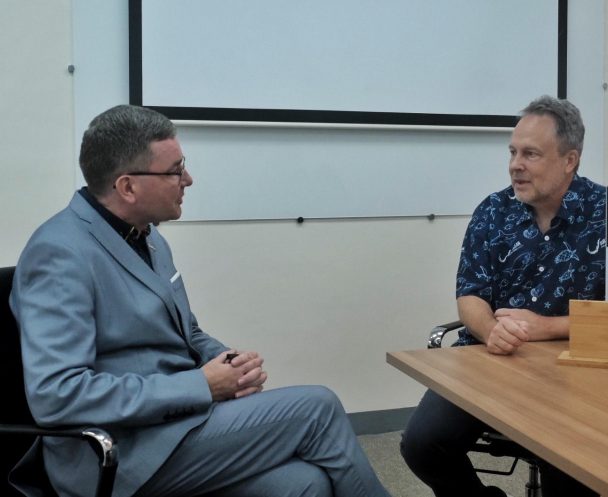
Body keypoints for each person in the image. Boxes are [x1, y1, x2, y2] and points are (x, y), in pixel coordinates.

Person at [10, 105, 391, 497]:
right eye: (175, 171)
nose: (188, 180)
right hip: (119, 452)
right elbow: (58, 394)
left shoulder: (148, 237)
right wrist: (203, 386)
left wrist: (227, 361)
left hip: (177, 427)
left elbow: (184, 330)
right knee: (318, 409)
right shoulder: (60, 254)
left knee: (304, 484)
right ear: (127, 187)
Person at [400, 95, 608, 497]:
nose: (515, 164)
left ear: (569, 160)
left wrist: (546, 328)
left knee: (572, 467)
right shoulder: (492, 210)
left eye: (531, 154)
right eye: (513, 152)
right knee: (422, 444)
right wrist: (489, 331)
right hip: (490, 361)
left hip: (576, 373)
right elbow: (470, 295)